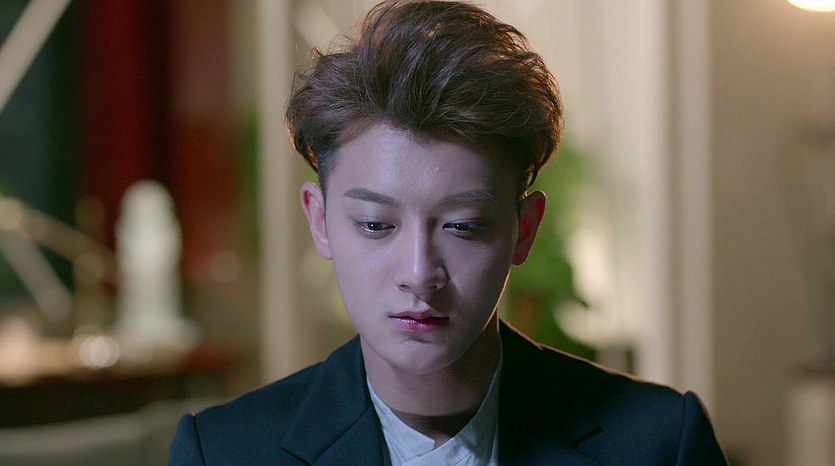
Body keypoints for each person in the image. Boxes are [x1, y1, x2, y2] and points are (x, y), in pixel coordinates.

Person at [168, 1, 727, 464]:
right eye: (375, 224)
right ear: (320, 221)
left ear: (524, 230)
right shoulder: (225, 453)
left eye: (463, 227)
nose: (419, 274)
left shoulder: (658, 443)